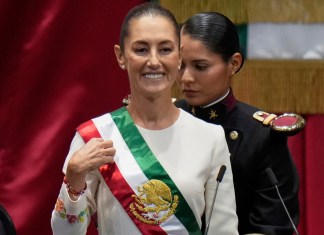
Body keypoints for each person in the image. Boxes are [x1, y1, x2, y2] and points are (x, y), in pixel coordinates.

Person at [51, 3, 238, 235]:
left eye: (165, 49)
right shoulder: (95, 136)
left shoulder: (210, 138)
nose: (153, 61)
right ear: (121, 56)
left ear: (179, 56)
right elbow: (64, 232)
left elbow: (224, 230)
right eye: (141, 50)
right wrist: (74, 178)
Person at [175, 12, 300, 235]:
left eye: (200, 66)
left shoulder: (261, 135)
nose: (186, 78)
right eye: (180, 65)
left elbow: (274, 225)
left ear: (234, 63)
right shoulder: (166, 119)